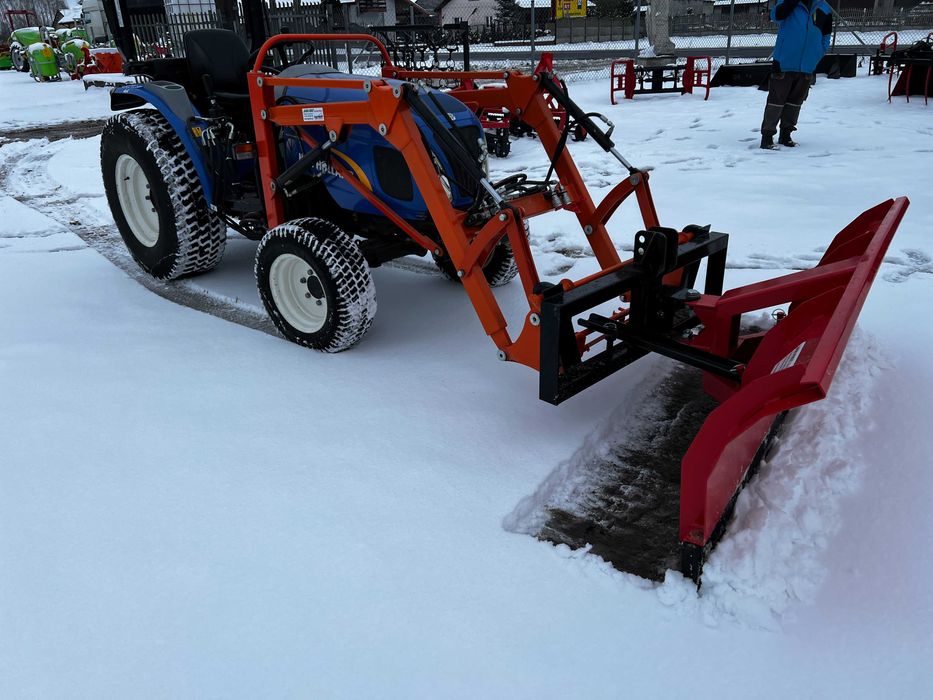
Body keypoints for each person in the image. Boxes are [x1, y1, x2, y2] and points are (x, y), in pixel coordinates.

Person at [760, 0, 834, 149]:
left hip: (807, 64)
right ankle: (767, 137)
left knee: (796, 101)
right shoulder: (789, 2)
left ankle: (786, 134)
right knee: (776, 101)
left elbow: (826, 35)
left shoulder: (824, 8)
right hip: (784, 61)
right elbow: (776, 16)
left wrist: (818, 52)